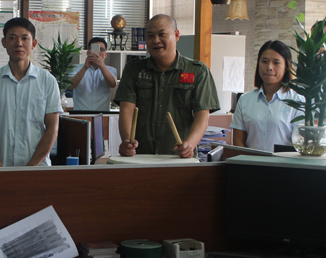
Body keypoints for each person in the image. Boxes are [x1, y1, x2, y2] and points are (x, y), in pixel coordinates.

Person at [115, 14, 219, 158]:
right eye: (150, 36)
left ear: (176, 35)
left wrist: (190, 144)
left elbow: (202, 116)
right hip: (141, 157)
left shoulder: (198, 71)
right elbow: (127, 111)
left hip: (179, 158)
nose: (156, 40)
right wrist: (127, 141)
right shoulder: (134, 70)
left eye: (162, 34)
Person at [0, 17, 62, 167]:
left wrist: (30, 169)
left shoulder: (47, 81)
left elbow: (52, 129)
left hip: (37, 169)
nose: (19, 43)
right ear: (4, 42)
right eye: (12, 38)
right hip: (0, 168)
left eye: (25, 38)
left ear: (33, 43)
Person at [230, 40, 304, 152]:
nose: (269, 67)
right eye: (264, 61)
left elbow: (300, 144)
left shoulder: (298, 101)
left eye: (276, 62)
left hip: (284, 162)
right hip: (250, 162)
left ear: (287, 66)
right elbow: (238, 142)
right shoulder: (245, 100)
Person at [68, 37, 117, 111]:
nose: (98, 52)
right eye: (95, 49)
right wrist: (85, 67)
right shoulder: (76, 68)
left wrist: (102, 66)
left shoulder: (111, 70)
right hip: (80, 113)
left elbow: (112, 84)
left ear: (105, 55)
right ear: (88, 53)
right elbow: (70, 86)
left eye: (102, 49)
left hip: (102, 114)